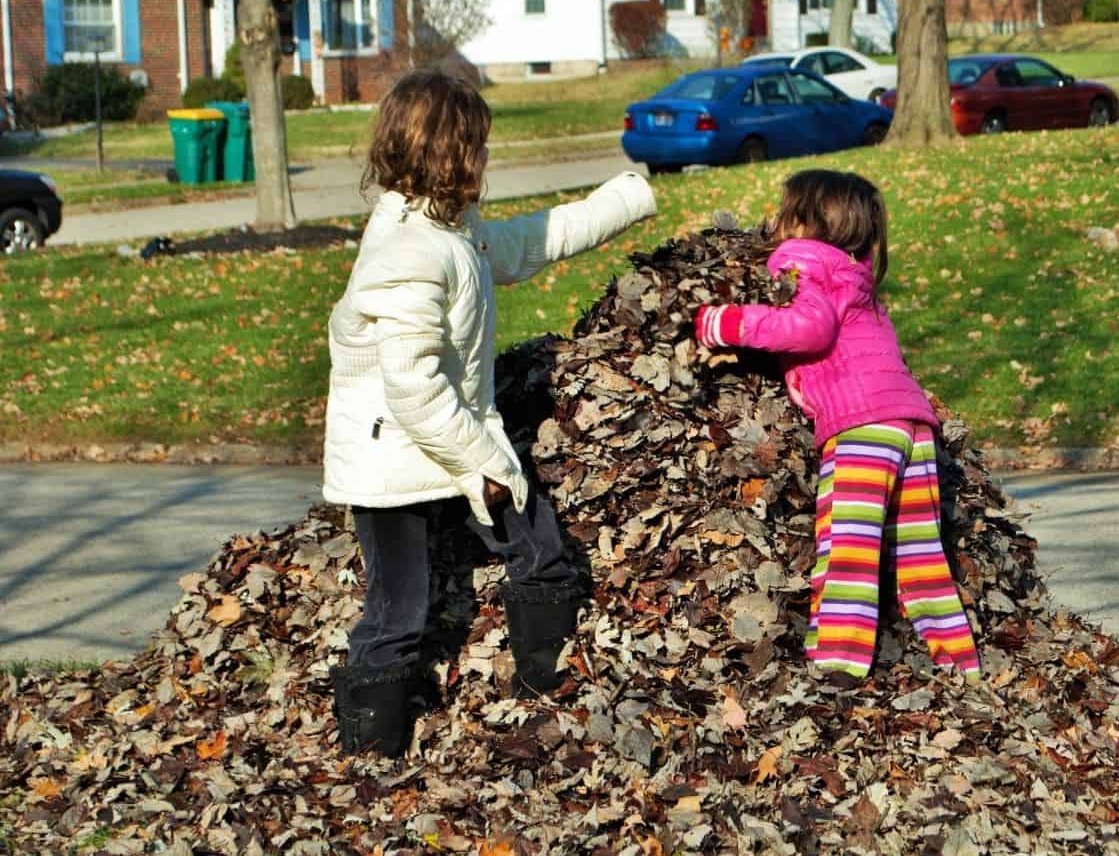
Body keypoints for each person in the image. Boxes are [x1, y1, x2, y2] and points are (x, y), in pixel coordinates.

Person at [322, 70, 656, 756]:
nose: (486, 158)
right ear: (453, 153)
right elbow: (412, 390)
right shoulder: (407, 254)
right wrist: (482, 462)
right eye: (478, 144)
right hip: (394, 457)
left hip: (451, 437)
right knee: (399, 609)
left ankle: (547, 693)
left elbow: (534, 240)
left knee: (539, 549)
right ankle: (367, 752)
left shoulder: (451, 230)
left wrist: (628, 198)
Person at [694, 170, 980, 684]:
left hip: (862, 428)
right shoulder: (858, 278)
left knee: (849, 544)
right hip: (910, 424)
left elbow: (809, 326)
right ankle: (958, 659)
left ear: (804, 221)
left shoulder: (801, 260)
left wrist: (723, 323)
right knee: (920, 552)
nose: (777, 221)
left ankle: (838, 663)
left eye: (785, 211)